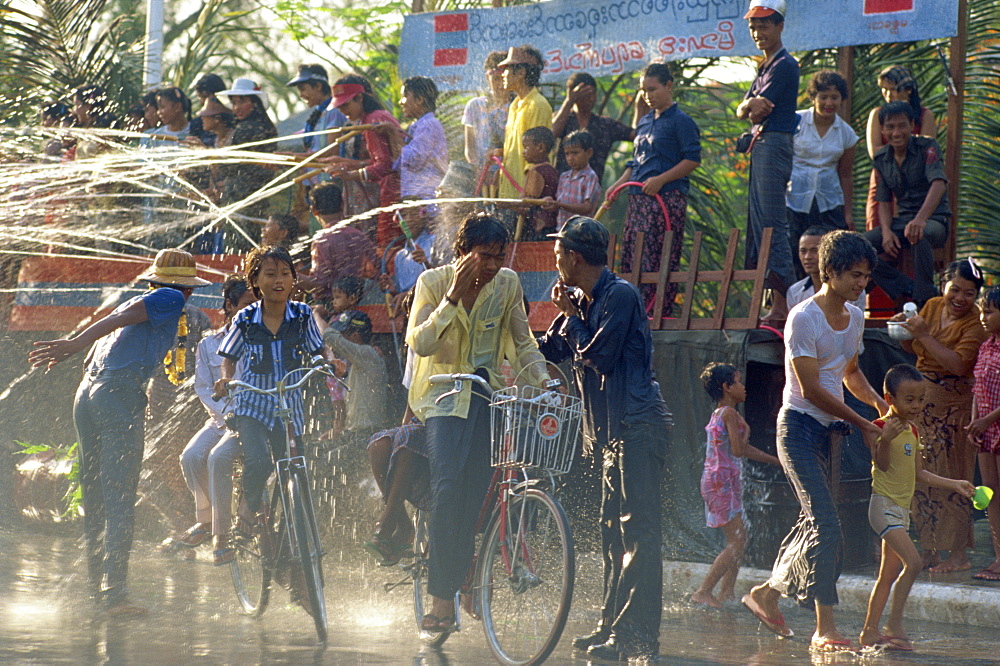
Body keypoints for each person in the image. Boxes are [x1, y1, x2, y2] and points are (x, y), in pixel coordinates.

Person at [28, 249, 211, 616]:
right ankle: (116, 596)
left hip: (88, 394)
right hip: (117, 396)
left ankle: (98, 588)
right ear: (186, 288)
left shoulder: (137, 299)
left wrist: (79, 350)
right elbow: (110, 329)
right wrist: (72, 343)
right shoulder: (171, 297)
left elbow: (103, 340)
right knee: (119, 495)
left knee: (95, 494)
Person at [742, 230, 887, 651]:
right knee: (827, 522)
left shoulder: (856, 315)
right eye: (854, 276)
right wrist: (862, 422)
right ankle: (824, 626)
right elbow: (809, 389)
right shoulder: (803, 317)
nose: (862, 284)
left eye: (865, 276)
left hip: (829, 431)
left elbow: (849, 372)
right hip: (799, 428)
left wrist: (878, 406)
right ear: (829, 272)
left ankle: (766, 595)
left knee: (814, 523)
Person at [407, 213, 550, 634]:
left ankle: (464, 579)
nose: (491, 265)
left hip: (487, 401)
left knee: (472, 503)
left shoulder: (507, 285)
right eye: (484, 256)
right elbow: (421, 341)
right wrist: (452, 297)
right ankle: (440, 601)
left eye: (498, 256)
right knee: (448, 491)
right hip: (442, 399)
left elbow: (523, 342)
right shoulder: (433, 283)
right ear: (463, 252)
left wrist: (544, 380)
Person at [537, 216, 672, 660]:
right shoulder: (583, 299)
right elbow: (554, 348)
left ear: (574, 257)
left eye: (558, 253)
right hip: (612, 434)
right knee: (612, 534)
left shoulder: (618, 296)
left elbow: (598, 355)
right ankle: (609, 625)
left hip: (637, 426)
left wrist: (573, 320)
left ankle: (636, 635)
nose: (554, 260)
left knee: (640, 536)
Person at [858, 364, 975, 651]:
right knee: (915, 562)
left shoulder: (913, 430)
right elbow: (882, 465)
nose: (917, 405)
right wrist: (885, 440)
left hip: (900, 510)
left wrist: (955, 484)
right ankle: (893, 624)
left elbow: (918, 473)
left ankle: (869, 631)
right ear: (890, 398)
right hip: (882, 507)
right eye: (909, 400)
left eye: (921, 399)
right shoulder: (879, 427)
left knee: (888, 574)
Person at [215, 245, 325, 523]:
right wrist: (226, 378)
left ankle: (294, 537)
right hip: (253, 404)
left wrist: (330, 363)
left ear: (293, 280)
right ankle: (249, 507)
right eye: (271, 274)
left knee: (294, 469)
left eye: (285, 274)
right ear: (255, 282)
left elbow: (319, 350)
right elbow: (228, 356)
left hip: (289, 404)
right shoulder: (245, 318)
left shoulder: (302, 315)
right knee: (259, 462)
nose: (279, 281)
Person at [892, 259, 986, 572]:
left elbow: (959, 365)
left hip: (953, 409)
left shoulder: (976, 323)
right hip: (921, 406)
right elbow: (911, 346)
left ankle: (958, 554)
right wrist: (906, 329)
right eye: (955, 289)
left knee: (954, 477)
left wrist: (925, 335)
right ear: (943, 284)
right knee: (920, 476)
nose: (960, 298)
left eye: (969, 293)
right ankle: (930, 549)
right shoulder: (931, 306)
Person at [162, 275, 256, 564]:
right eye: (246, 305)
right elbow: (202, 387)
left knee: (218, 457)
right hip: (219, 418)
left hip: (250, 418)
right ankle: (207, 519)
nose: (254, 310)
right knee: (191, 456)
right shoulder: (208, 344)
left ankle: (221, 529)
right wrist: (223, 414)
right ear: (228, 306)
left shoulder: (261, 338)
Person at [608, 62, 701, 316]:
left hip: (666, 199)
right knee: (632, 255)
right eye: (644, 91)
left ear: (668, 86)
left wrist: (661, 179)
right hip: (638, 198)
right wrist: (617, 185)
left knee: (658, 257)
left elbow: (692, 159)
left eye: (653, 89)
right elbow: (636, 160)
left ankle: (657, 311)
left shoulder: (681, 121)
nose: (648, 96)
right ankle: (632, 309)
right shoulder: (645, 120)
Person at [691, 363, 780, 609]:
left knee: (741, 537)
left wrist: (776, 461)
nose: (744, 387)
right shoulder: (728, 414)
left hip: (723, 481)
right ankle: (703, 591)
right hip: (720, 483)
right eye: (738, 382)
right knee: (737, 540)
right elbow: (740, 449)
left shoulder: (728, 414)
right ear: (726, 387)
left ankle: (726, 592)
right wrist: (747, 432)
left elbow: (741, 449)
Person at [737, 0, 800, 322]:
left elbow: (760, 109)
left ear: (779, 26)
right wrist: (748, 105)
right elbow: (743, 109)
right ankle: (773, 303)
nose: (757, 32)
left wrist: (749, 106)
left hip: (774, 144)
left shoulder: (786, 65)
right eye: (753, 26)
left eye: (764, 25)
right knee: (760, 225)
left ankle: (783, 304)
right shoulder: (765, 65)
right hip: (760, 146)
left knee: (773, 225)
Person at [863, 101, 949, 306]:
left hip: (934, 219)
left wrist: (920, 220)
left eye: (902, 125)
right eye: (890, 127)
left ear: (912, 125)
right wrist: (885, 231)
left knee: (921, 233)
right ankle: (905, 286)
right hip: (902, 221)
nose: (896, 132)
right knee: (859, 246)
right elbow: (883, 200)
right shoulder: (882, 157)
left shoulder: (927, 146)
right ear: (882, 129)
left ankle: (925, 299)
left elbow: (939, 184)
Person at [786, 70, 858, 279]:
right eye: (823, 96)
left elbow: (845, 175)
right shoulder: (795, 122)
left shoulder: (847, 133)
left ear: (841, 100)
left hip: (828, 201)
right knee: (795, 251)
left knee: (829, 252)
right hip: (794, 199)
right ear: (813, 97)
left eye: (834, 97)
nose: (829, 102)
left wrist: (848, 213)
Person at [323, 77, 402, 246]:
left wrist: (350, 175)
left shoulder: (373, 121)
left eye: (345, 105)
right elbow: (380, 160)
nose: (343, 111)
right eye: (339, 106)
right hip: (392, 190)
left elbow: (385, 166)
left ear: (359, 98)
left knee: (386, 245)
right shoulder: (373, 117)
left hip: (393, 192)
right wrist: (348, 162)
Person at [864, 65, 936, 231]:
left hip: (915, 179)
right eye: (884, 90)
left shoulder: (924, 115)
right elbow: (875, 151)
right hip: (884, 175)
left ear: (908, 89)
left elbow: (927, 150)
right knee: (878, 228)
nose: (889, 95)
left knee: (912, 231)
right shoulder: (877, 114)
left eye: (894, 89)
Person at [314, 309, 389, 447]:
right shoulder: (360, 358)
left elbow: (331, 338)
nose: (341, 338)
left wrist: (315, 315)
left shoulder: (367, 354)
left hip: (368, 433)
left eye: (343, 334)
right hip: (357, 432)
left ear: (355, 336)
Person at [296, 182, 377, 305]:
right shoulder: (359, 236)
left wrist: (290, 276)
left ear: (314, 211)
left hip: (329, 306)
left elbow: (319, 286)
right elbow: (377, 270)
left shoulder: (322, 240)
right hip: (362, 303)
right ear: (342, 205)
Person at [217, 78, 278, 237]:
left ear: (254, 103)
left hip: (241, 196)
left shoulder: (244, 129)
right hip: (261, 197)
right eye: (234, 103)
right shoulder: (267, 126)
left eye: (241, 102)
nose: (237, 108)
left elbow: (228, 166)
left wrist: (211, 154)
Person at [968, 286, 1000, 581]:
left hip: (996, 426)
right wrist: (975, 421)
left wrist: (986, 420)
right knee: (989, 494)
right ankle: (998, 556)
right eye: (981, 311)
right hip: (986, 431)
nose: (983, 317)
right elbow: (978, 388)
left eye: (989, 311)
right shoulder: (986, 346)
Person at [553, 72, 635, 181]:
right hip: (562, 188)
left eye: (593, 94)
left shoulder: (605, 125)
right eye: (586, 95)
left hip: (591, 190)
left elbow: (636, 135)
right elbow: (552, 133)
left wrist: (640, 107)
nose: (591, 99)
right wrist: (569, 101)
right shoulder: (564, 119)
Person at [495, 46, 552, 200]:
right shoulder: (515, 105)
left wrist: (528, 194)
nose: (503, 75)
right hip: (509, 194)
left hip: (525, 196)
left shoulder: (537, 105)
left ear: (521, 73)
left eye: (506, 69)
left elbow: (538, 155)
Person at [283, 63, 347, 194]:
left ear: (318, 86)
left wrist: (294, 157)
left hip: (330, 183)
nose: (301, 95)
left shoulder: (333, 111)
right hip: (314, 182)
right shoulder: (318, 113)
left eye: (303, 89)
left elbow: (331, 152)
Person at [787, 226, 866, 312]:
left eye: (815, 250)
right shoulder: (795, 292)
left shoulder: (853, 289)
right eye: (803, 251)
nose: (807, 257)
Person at [395, 76, 448, 201]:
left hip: (426, 202)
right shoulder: (418, 126)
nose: (401, 102)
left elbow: (413, 161)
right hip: (416, 200)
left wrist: (393, 135)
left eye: (405, 96)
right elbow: (397, 166)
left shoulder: (429, 125)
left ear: (419, 100)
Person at [462, 51, 510, 174]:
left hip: (509, 172)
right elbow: (469, 147)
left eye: (502, 79)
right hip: (482, 172)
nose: (500, 85)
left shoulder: (517, 106)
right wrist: (477, 167)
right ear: (487, 78)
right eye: (495, 79)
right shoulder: (474, 106)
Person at [519, 126, 559, 240]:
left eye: (526, 147)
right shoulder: (552, 170)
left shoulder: (535, 171)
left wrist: (505, 204)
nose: (523, 152)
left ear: (541, 147)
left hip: (538, 227)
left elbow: (526, 201)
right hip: (551, 225)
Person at [190, 73, 227, 147]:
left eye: (205, 97)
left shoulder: (234, 123)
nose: (202, 102)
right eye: (200, 97)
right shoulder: (197, 123)